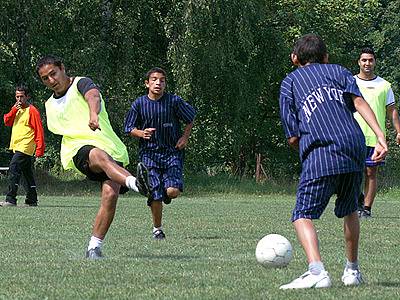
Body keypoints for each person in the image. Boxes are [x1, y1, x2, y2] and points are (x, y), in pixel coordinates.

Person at [278, 34, 387, 289]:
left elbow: (292, 135)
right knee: (350, 209)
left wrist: (304, 150)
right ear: (326, 57)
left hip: (321, 148)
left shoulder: (290, 82)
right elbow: (359, 102)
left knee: (302, 214)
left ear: (295, 58)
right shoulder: (339, 72)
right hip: (354, 145)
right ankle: (352, 271)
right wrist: (381, 137)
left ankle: (316, 271)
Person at [36, 55, 150, 259]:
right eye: (45, 78)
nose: (51, 80)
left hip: (110, 147)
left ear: (62, 68)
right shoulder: (49, 105)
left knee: (110, 195)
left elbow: (93, 96)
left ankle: (93, 248)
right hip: (78, 148)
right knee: (96, 154)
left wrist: (94, 114)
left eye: (53, 73)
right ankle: (137, 184)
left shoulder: (81, 82)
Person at [124, 67, 196, 240]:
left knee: (172, 192)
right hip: (149, 154)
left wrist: (185, 137)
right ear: (147, 83)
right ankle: (157, 229)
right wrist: (141, 133)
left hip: (172, 153)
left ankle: (162, 194)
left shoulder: (174, 101)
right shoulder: (139, 104)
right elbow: (128, 128)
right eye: (154, 79)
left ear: (165, 83)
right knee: (155, 192)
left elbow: (190, 117)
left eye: (162, 80)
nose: (158, 83)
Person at [353, 47, 400, 218]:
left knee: (371, 172)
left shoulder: (384, 85)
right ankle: (356, 202)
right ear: (359, 62)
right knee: (353, 173)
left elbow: (392, 111)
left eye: (370, 60)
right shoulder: (351, 82)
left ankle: (366, 208)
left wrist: (398, 131)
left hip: (375, 138)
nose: (367, 63)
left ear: (375, 62)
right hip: (353, 136)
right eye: (364, 60)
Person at [0, 85, 45, 207]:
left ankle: (10, 199)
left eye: (21, 96)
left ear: (27, 97)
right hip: (17, 146)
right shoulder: (16, 109)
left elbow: (39, 130)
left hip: (25, 147)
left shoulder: (32, 111)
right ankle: (32, 200)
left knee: (13, 169)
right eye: (17, 96)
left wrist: (40, 149)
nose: (19, 99)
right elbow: (7, 121)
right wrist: (14, 110)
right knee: (27, 174)